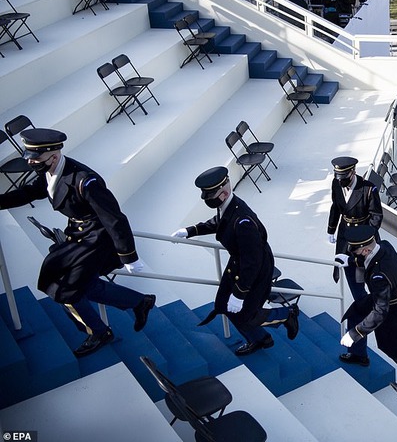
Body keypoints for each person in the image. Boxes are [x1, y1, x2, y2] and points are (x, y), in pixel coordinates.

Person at [0, 128, 154, 357]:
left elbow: (114, 218)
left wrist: (128, 255)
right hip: (79, 233)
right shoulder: (50, 170)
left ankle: (99, 332)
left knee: (64, 290)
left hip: (97, 239)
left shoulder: (85, 181)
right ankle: (139, 301)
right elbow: (29, 193)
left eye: (36, 157)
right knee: (82, 284)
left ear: (53, 155)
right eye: (29, 156)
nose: (31, 161)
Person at [171, 167, 299, 356]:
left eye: (210, 196)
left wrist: (239, 294)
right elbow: (220, 222)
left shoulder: (243, 221)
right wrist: (191, 231)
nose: (207, 200)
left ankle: (286, 315)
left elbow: (252, 262)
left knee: (246, 313)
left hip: (254, 269)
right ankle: (260, 339)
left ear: (223, 193)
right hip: (240, 264)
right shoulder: (228, 207)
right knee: (225, 305)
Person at [339, 225, 397, 398]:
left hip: (396, 313)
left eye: (356, 251)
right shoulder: (385, 245)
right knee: (356, 312)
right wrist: (350, 261)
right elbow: (370, 259)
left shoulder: (378, 277)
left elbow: (380, 311)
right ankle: (359, 355)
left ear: (366, 249)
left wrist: (355, 333)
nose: (354, 253)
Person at [327, 156, 382, 365]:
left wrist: (363, 241)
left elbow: (376, 217)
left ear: (353, 172)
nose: (340, 179)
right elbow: (336, 207)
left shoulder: (368, 190)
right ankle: (360, 349)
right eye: (338, 176)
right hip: (344, 239)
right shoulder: (335, 183)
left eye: (344, 176)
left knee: (361, 297)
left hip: (364, 243)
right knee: (356, 288)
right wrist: (331, 228)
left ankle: (360, 349)